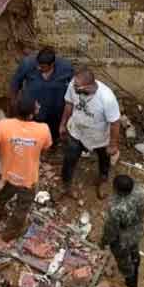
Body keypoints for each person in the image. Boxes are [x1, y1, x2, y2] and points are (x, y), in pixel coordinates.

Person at [0, 95, 52, 241]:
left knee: (8, 189)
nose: (39, 107)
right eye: (37, 105)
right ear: (31, 114)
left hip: (8, 172)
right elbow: (46, 148)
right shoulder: (43, 129)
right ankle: (8, 235)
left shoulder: (3, 125)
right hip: (28, 177)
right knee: (21, 208)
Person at [59, 68, 121, 199]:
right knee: (69, 158)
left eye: (77, 86)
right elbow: (69, 104)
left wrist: (113, 144)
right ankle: (66, 185)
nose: (73, 86)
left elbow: (115, 122)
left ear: (88, 86)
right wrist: (63, 124)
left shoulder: (106, 98)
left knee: (104, 160)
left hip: (99, 136)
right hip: (77, 130)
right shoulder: (73, 85)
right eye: (74, 84)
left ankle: (103, 180)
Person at [9, 47, 73, 147]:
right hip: (33, 108)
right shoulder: (28, 64)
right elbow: (15, 83)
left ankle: (50, 146)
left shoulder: (66, 68)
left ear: (52, 65)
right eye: (38, 65)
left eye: (43, 67)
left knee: (52, 132)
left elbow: (73, 88)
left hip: (55, 109)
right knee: (31, 133)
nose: (39, 68)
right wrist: (14, 104)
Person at [100, 175, 144, 287]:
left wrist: (103, 242)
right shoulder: (141, 190)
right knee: (134, 250)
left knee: (124, 261)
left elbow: (111, 230)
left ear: (117, 190)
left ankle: (131, 285)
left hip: (123, 237)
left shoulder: (116, 208)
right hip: (138, 229)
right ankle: (135, 261)